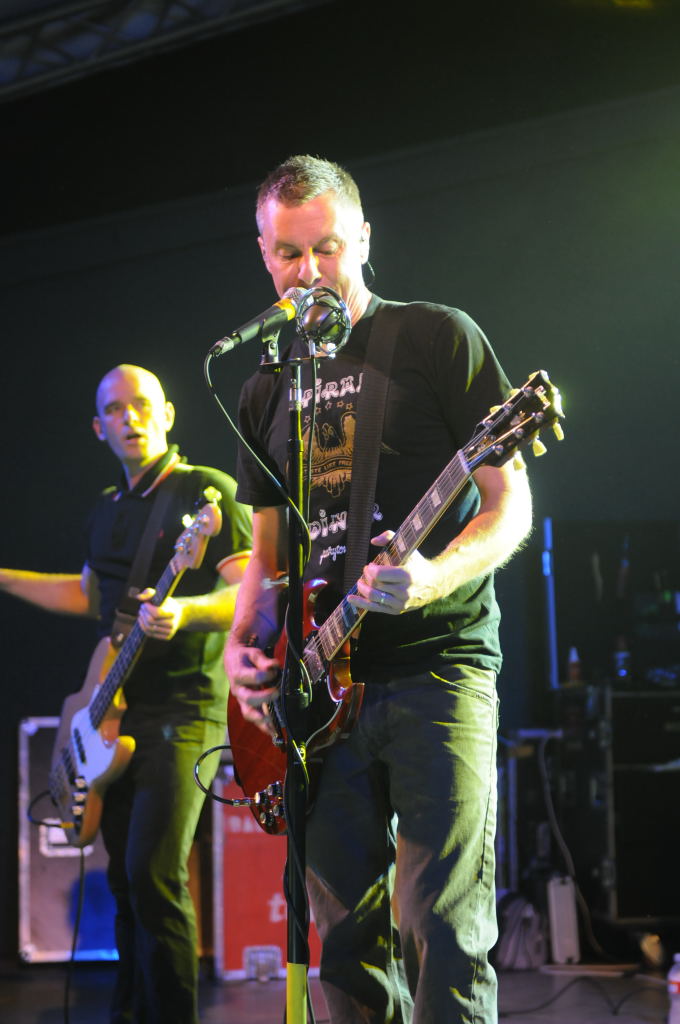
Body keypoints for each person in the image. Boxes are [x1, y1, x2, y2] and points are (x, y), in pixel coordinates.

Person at [224, 155, 533, 1024]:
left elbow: (509, 506)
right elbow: (267, 559)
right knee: (346, 946)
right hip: (319, 695)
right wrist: (242, 651)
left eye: (326, 247)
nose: (309, 272)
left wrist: (432, 577)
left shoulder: (436, 337)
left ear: (363, 238)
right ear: (263, 254)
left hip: (438, 668)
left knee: (443, 926)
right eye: (289, 254)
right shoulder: (262, 387)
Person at [0, 364, 251, 1024]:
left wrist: (185, 612)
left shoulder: (206, 492)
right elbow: (88, 595)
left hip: (184, 708)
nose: (129, 417)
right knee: (122, 880)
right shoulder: (107, 507)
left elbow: (248, 594)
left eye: (142, 404)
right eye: (114, 409)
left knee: (153, 874)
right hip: (110, 714)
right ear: (98, 428)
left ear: (167, 414)